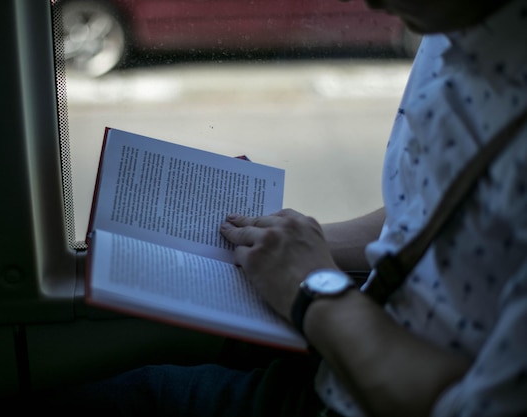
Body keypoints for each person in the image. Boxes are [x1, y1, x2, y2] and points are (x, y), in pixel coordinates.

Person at [31, 0, 527, 415]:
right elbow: (430, 213)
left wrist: (312, 284)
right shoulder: (448, 28)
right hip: (334, 362)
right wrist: (288, 243)